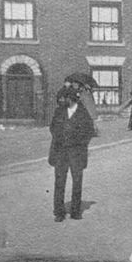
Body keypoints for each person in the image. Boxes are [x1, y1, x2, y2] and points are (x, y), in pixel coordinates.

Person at [49, 85, 96, 221]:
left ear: (71, 98)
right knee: (59, 182)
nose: (61, 101)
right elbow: (53, 127)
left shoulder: (83, 113)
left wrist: (78, 142)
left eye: (64, 98)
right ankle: (59, 212)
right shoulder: (59, 111)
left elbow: (89, 132)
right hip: (61, 152)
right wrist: (60, 137)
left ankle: (75, 211)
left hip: (76, 152)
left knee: (77, 182)